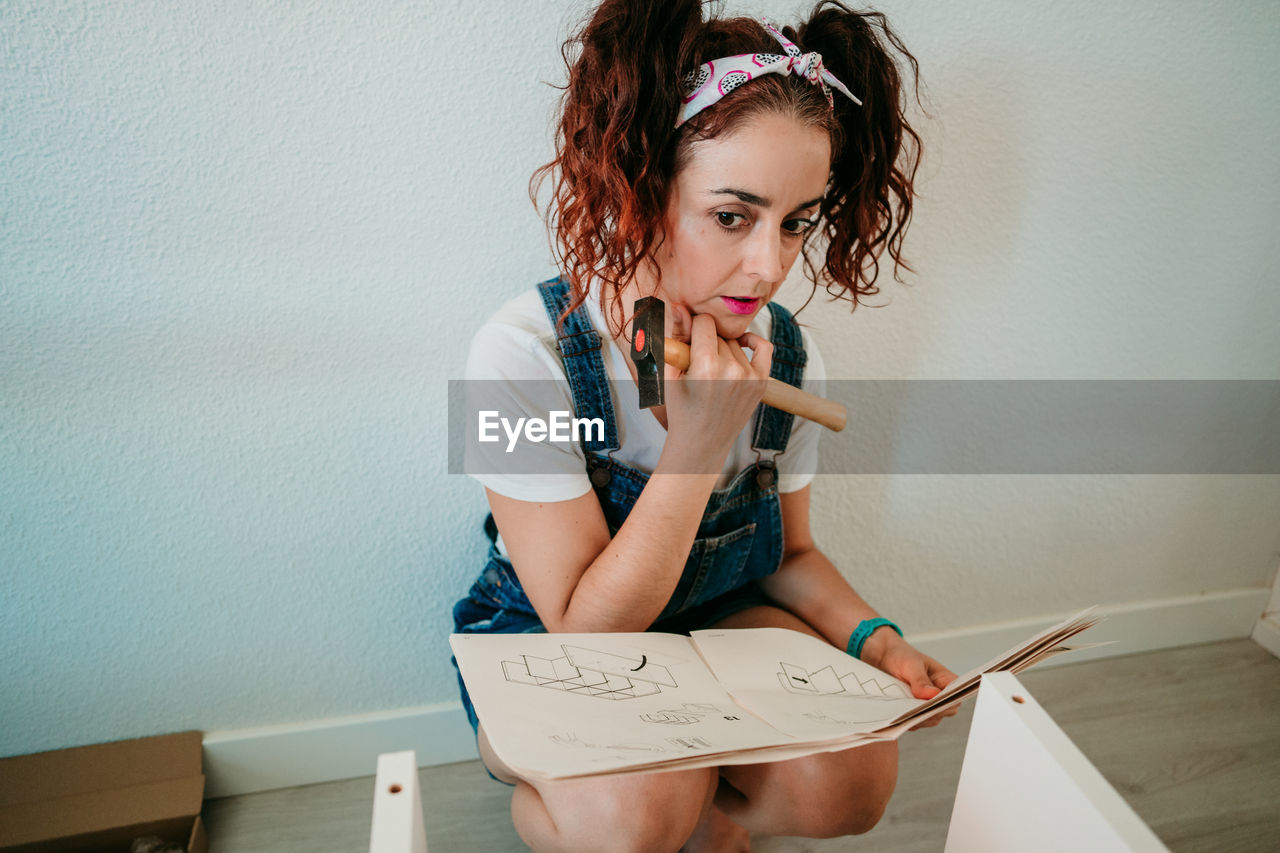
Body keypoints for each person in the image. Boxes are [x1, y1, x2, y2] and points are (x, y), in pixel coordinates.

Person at [452, 1, 958, 849]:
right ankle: (614, 817)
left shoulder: (785, 355)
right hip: (559, 638)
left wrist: (878, 641)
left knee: (856, 778)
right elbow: (585, 630)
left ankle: (703, 814)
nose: (770, 266)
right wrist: (695, 444)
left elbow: (790, 555)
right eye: (733, 215)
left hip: (713, 617)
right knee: (634, 811)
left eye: (797, 220)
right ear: (644, 182)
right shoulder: (517, 357)